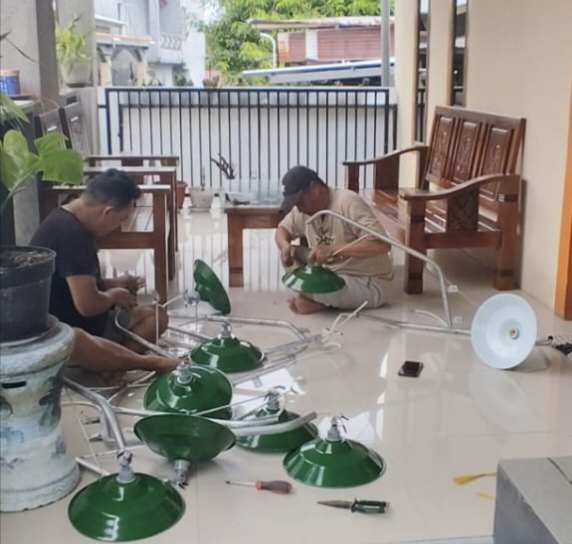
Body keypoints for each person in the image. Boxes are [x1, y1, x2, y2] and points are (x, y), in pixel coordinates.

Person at [30, 168, 168, 349]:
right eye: (122, 219)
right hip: (68, 329)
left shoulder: (61, 217)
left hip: (55, 317)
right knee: (156, 317)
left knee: (145, 310)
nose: (118, 226)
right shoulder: (74, 236)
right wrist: (114, 296)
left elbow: (73, 284)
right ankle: (114, 362)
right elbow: (88, 306)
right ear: (108, 212)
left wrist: (114, 283)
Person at [275, 165, 393, 314]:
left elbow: (381, 244)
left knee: (306, 293)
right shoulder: (304, 210)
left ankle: (317, 299)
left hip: (366, 281)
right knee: (290, 253)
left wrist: (333, 250)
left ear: (314, 189)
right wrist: (284, 245)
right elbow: (282, 230)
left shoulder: (348, 202)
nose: (298, 208)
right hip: (330, 274)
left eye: (299, 202)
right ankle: (319, 299)